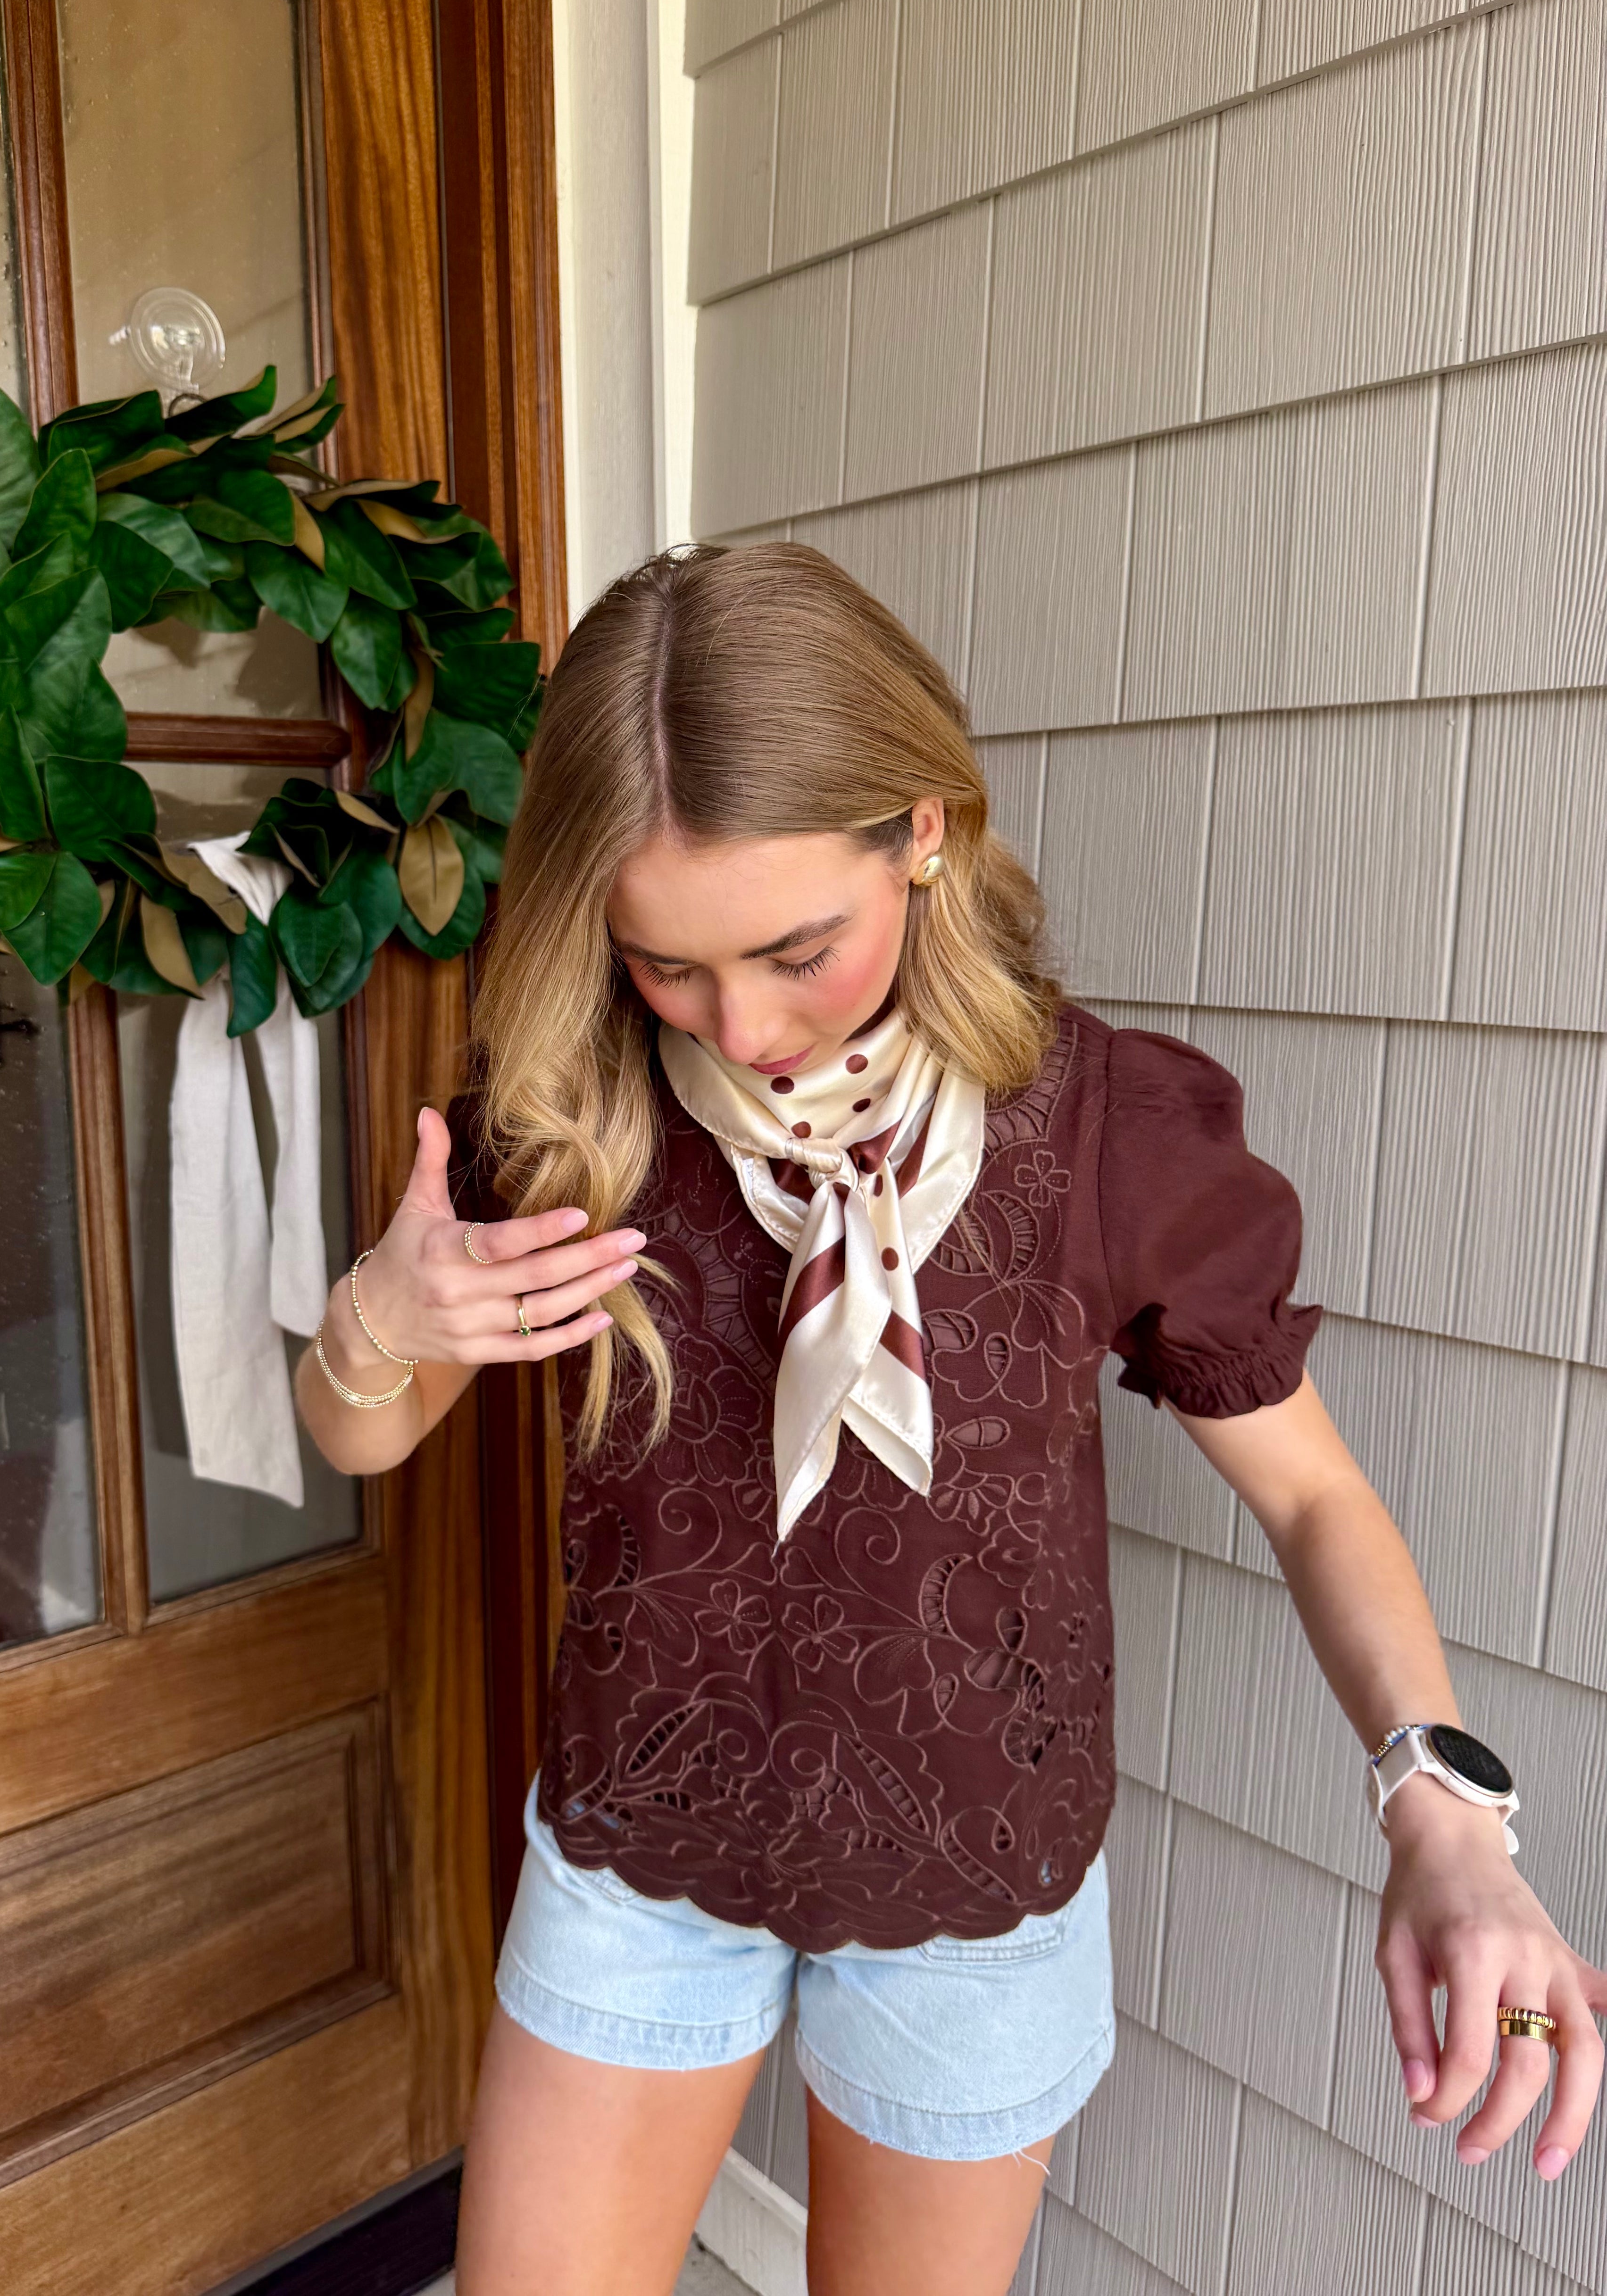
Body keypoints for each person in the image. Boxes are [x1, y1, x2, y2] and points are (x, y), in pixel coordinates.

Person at [297, 545, 1605, 2296]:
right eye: (664, 963)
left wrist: (1441, 1808)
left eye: (796, 950)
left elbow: (1310, 1497)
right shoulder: (570, 1108)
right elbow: (365, 1437)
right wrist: (375, 1324)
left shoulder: (1106, 1130)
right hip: (640, 1856)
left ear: (921, 830)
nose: (744, 1025)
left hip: (977, 1886)